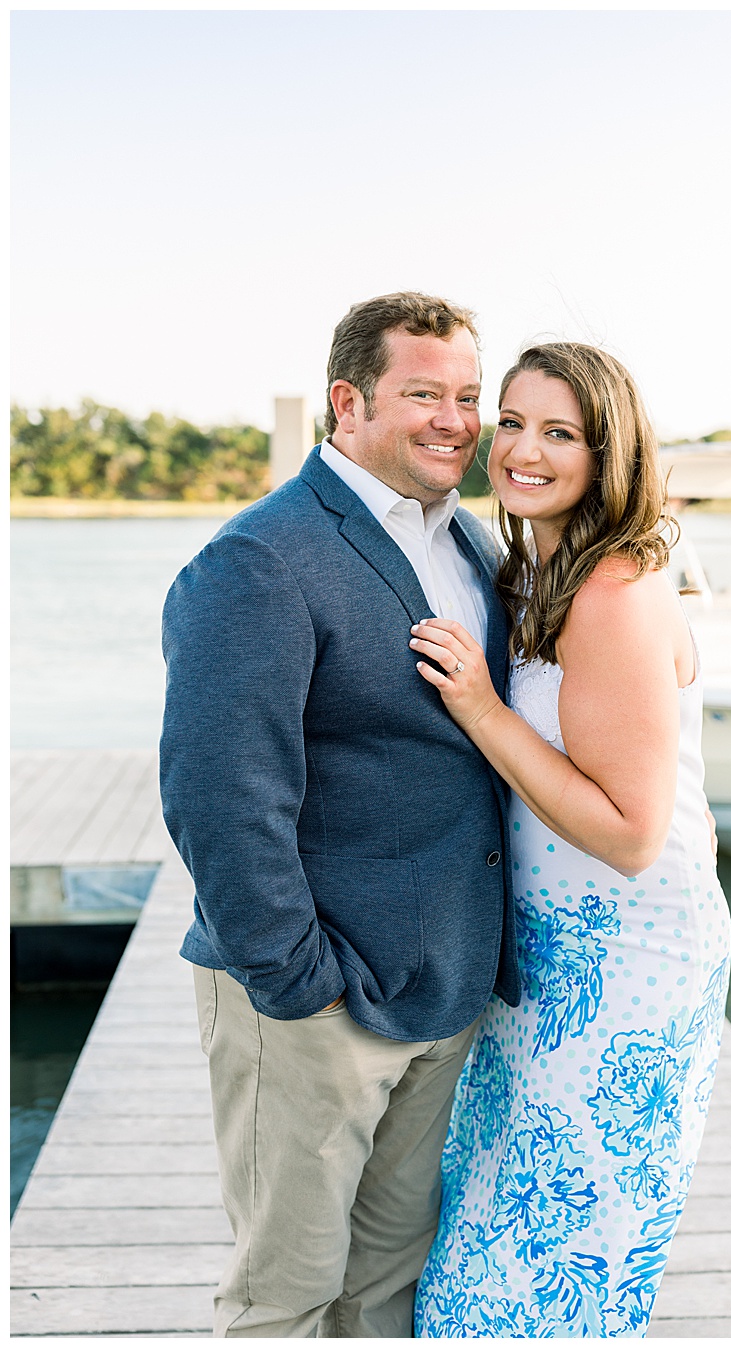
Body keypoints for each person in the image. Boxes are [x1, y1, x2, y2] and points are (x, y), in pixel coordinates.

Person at [162, 292, 519, 1335]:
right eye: (424, 394)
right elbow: (219, 795)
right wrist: (297, 981)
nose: (456, 420)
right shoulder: (258, 559)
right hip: (315, 1007)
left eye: (468, 396)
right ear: (348, 401)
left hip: (442, 991)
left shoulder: (470, 543)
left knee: (388, 1288)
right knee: (285, 1295)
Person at [410, 343, 730, 1337]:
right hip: (551, 957)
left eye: (560, 432)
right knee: (490, 1232)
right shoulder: (532, 572)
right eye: (511, 422)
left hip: (629, 962)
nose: (523, 450)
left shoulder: (613, 594)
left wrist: (479, 709)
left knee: (555, 1263)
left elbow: (633, 834)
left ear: (607, 453)